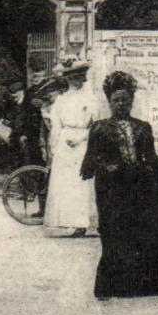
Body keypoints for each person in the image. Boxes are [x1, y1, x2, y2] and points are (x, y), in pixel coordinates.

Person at [80, 72, 158, 298]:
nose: (121, 104)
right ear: (109, 102)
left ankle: (149, 284)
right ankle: (117, 285)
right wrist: (106, 166)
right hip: (112, 191)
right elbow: (89, 164)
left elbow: (151, 159)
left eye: (125, 100)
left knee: (149, 231)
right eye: (116, 100)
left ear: (132, 101)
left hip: (140, 189)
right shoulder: (99, 128)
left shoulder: (142, 127)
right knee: (116, 234)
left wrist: (155, 184)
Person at [43, 58, 104, 236]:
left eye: (80, 77)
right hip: (65, 143)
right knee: (66, 183)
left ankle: (83, 223)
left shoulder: (90, 99)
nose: (78, 81)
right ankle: (69, 220)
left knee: (82, 183)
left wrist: (82, 137)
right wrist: (54, 146)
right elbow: (56, 125)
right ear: (68, 79)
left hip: (83, 143)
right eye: (74, 78)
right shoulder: (61, 100)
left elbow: (96, 125)